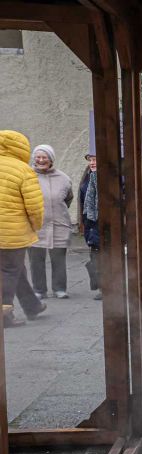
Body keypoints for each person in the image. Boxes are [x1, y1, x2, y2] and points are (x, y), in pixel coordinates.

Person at [0, 130, 47, 327]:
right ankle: (5, 315)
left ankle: (31, 305)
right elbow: (34, 206)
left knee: (17, 269)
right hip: (13, 233)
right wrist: (36, 225)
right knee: (10, 270)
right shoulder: (23, 170)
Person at [29, 144, 73, 299]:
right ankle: (39, 290)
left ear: (51, 159)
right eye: (38, 157)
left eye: (44, 157)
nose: (41, 160)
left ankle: (59, 288)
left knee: (59, 259)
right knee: (36, 260)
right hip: (35, 225)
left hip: (59, 224)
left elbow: (68, 199)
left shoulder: (63, 178)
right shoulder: (27, 176)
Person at [79, 153, 101, 300]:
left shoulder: (107, 177)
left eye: (95, 159)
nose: (92, 163)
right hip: (91, 223)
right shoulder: (87, 177)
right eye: (90, 160)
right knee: (95, 256)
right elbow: (81, 202)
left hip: (103, 223)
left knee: (106, 256)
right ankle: (102, 287)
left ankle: (110, 287)